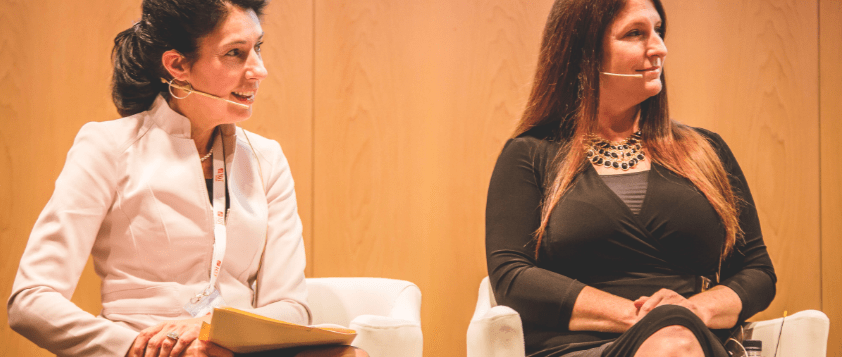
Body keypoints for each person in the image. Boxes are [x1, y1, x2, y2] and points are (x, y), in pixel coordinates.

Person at [7, 1, 365, 356]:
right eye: (235, 53)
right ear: (178, 65)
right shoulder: (108, 147)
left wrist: (209, 329)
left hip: (234, 349)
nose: (259, 70)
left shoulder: (267, 159)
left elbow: (290, 306)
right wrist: (135, 348)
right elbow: (31, 302)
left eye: (257, 48)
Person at [485, 0, 776, 356]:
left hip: (696, 340)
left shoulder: (707, 150)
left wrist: (695, 311)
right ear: (583, 51)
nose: (659, 48)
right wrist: (639, 316)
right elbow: (512, 277)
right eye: (635, 34)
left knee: (677, 344)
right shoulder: (530, 154)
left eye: (659, 31)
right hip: (579, 347)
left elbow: (757, 272)